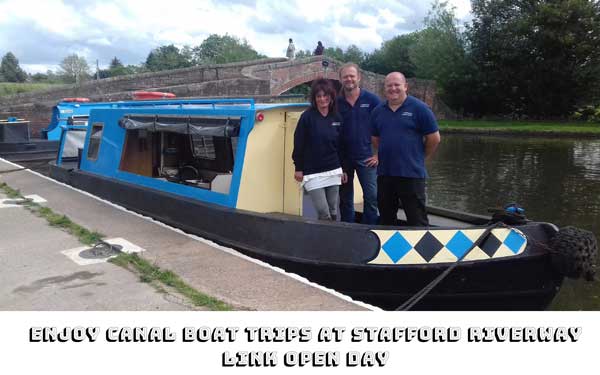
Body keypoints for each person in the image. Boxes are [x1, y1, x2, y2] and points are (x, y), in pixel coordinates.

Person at [371, 72, 441, 227]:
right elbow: (375, 139)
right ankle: (389, 249)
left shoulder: (420, 109)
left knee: (417, 220)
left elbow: (434, 138)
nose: (393, 88)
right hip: (385, 175)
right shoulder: (377, 112)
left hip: (412, 175)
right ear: (384, 89)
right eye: (389, 85)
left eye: (397, 85)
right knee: (386, 218)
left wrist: (420, 157)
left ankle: (421, 251)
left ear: (405, 86)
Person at [292, 79, 347, 221]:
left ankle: (333, 238)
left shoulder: (337, 117)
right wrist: (298, 168)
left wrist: (343, 169)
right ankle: (326, 241)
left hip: (334, 169)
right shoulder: (307, 117)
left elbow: (341, 146)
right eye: (318, 96)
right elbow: (299, 143)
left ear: (331, 96)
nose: (322, 99)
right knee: (323, 212)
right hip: (312, 172)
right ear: (314, 98)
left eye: (325, 95)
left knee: (333, 208)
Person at [336, 63, 381, 224]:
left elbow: (384, 127)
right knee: (345, 198)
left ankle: (369, 229)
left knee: (371, 196)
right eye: (345, 76)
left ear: (358, 78)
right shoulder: (336, 102)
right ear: (341, 79)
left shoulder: (372, 100)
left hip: (367, 157)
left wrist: (378, 154)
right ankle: (349, 228)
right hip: (343, 159)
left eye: (352, 76)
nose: (349, 79)